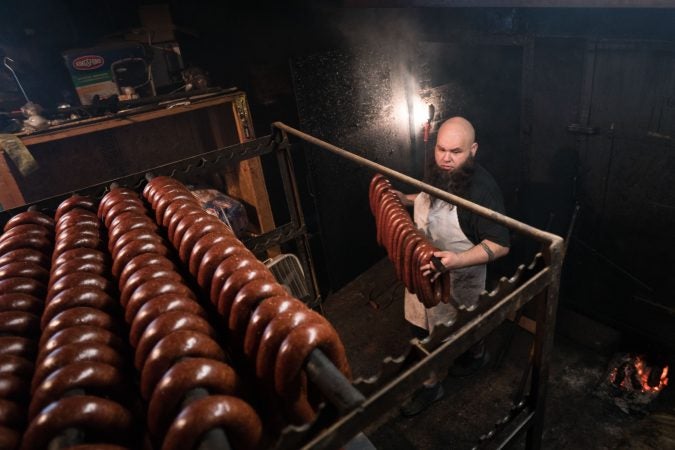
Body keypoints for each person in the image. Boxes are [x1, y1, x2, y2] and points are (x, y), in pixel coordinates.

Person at [395, 116, 510, 416]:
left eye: (455, 152)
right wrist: (405, 199)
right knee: (421, 330)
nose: (446, 158)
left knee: (466, 327)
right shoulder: (437, 170)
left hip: (461, 275)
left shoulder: (483, 190)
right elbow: (428, 199)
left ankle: (477, 355)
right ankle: (431, 386)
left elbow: (500, 244)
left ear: (473, 150)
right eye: (441, 149)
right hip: (425, 267)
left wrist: (456, 261)